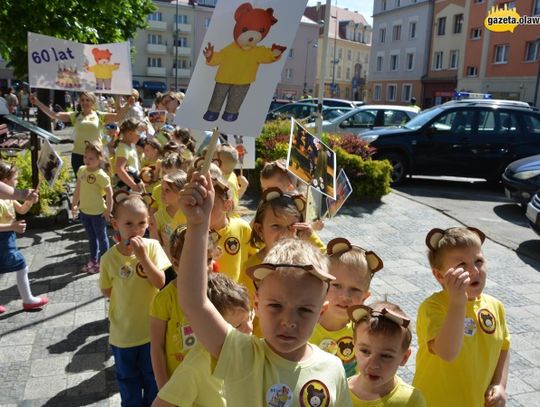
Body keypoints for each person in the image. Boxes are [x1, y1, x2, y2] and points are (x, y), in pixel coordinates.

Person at [176, 171, 353, 406]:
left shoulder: (333, 368)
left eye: (304, 310)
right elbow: (194, 303)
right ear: (256, 305)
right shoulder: (241, 355)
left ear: (321, 312)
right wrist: (198, 225)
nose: (289, 320)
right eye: (276, 305)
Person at [412, 227, 510, 407]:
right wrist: (458, 303)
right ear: (440, 275)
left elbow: (503, 346)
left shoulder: (496, 306)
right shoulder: (432, 307)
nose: (474, 270)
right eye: (461, 265)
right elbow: (447, 353)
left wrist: (499, 384)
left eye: (478, 261)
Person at [99, 194, 171, 406]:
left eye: (141, 223)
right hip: (123, 335)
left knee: (152, 380)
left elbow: (160, 282)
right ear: (116, 224)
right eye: (128, 224)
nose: (135, 230)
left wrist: (143, 259)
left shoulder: (152, 248)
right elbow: (107, 290)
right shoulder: (109, 258)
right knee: (127, 381)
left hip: (152, 333)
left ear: (148, 223)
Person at [149, 226, 238, 391]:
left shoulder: (218, 292)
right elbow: (156, 346)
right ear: (175, 263)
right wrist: (164, 387)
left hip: (213, 383)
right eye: (195, 262)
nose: (205, 268)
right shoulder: (163, 300)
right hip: (179, 384)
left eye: (209, 260)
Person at [153, 267, 252, 407]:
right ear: (209, 330)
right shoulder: (195, 368)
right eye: (238, 326)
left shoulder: (246, 348)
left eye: (250, 318)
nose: (250, 328)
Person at [310, 238, 383, 377]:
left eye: (355, 289)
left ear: (365, 297)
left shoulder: (363, 331)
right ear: (322, 285)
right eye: (336, 285)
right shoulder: (305, 323)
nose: (345, 296)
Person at [347, 301, 426, 406]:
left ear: (404, 357)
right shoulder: (338, 389)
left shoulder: (412, 401)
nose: (373, 365)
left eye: (385, 356)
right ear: (354, 347)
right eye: (365, 351)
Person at [30, 91, 119, 175]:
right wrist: (37, 102)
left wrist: (123, 101)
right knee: (81, 184)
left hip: (96, 155)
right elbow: (54, 115)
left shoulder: (99, 115)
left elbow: (118, 117)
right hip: (78, 155)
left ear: (93, 102)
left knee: (97, 183)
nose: (85, 102)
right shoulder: (75, 116)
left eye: (88, 100)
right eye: (82, 100)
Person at [0, 161, 48, 314]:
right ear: (5, 181)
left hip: (8, 239)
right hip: (3, 240)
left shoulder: (8, 198)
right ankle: (28, 300)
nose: (17, 182)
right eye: (15, 179)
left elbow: (21, 210)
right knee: (21, 264)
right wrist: (12, 227)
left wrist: (29, 200)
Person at [71, 142, 113, 274]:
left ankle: (103, 262)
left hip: (98, 213)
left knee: (102, 238)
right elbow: (78, 188)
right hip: (84, 211)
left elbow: (109, 193)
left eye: (91, 158)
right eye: (85, 157)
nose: (87, 160)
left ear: (99, 159)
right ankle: (93, 260)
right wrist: (74, 204)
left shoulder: (101, 175)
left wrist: (108, 210)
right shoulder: (82, 170)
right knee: (91, 237)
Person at [208, 171, 253, 282]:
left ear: (227, 205)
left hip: (235, 295)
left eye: (209, 205)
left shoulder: (242, 228)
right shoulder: (193, 233)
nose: (203, 209)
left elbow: (254, 257)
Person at [149, 171, 187, 259]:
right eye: (162, 189)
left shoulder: (191, 214)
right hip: (167, 263)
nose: (162, 193)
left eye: (167, 190)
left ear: (181, 192)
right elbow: (154, 244)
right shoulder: (158, 217)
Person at [215, 143, 249, 211]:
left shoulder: (220, 181)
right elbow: (235, 197)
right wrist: (243, 188)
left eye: (212, 158)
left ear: (218, 163)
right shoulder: (232, 175)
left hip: (227, 219)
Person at [115, 118, 143, 192]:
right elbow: (119, 169)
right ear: (130, 133)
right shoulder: (123, 148)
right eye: (139, 132)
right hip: (126, 189)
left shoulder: (130, 146)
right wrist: (133, 185)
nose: (140, 136)